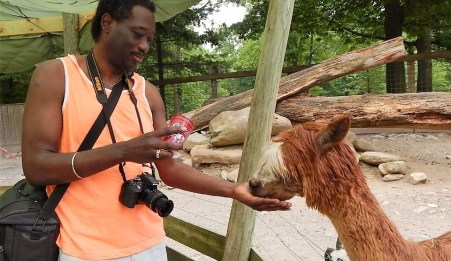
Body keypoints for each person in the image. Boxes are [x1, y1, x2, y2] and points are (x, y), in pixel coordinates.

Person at [21, 0, 291, 260]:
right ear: (107, 23)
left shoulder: (148, 93)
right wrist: (124, 151)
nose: (144, 47)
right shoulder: (56, 76)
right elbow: (36, 167)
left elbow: (170, 169)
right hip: (85, 250)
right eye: (138, 34)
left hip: (150, 244)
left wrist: (234, 191)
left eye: (149, 39)